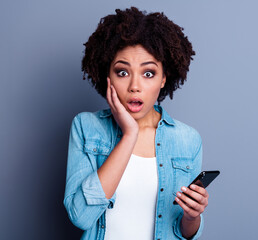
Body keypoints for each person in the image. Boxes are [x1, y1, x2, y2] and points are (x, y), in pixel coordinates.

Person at [63, 7, 209, 240]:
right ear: (107, 76)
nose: (134, 86)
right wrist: (129, 134)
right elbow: (80, 216)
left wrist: (192, 217)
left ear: (163, 78)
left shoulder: (187, 140)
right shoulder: (86, 127)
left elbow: (181, 233)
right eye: (122, 72)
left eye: (148, 73)